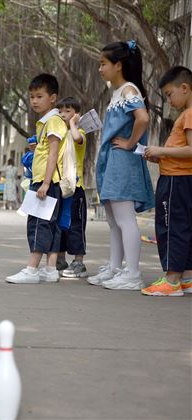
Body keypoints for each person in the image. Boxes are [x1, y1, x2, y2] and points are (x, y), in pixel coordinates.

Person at [87, 40, 155, 290]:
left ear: (119, 65)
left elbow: (143, 118)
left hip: (122, 161)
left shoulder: (129, 90)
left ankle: (133, 273)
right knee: (114, 221)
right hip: (112, 160)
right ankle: (116, 267)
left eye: (103, 64)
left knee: (125, 219)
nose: (100, 69)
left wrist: (129, 143)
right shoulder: (117, 92)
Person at [6, 73, 67, 284]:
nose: (34, 101)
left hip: (46, 182)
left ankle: (31, 269)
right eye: (31, 96)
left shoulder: (53, 121)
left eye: (39, 96)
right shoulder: (48, 122)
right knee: (50, 224)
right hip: (44, 181)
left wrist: (46, 183)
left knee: (38, 224)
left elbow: (53, 154)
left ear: (52, 98)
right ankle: (50, 269)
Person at [141, 66, 192, 296]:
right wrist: (161, 155)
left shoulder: (189, 114)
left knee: (171, 228)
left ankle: (171, 280)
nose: (169, 100)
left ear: (185, 88)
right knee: (184, 228)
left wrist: (161, 150)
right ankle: (186, 278)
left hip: (175, 182)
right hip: (181, 179)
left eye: (170, 94)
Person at [55, 97, 89, 278]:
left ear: (76, 114)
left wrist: (74, 123)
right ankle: (60, 259)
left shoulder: (80, 131)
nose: (62, 115)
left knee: (76, 225)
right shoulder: (58, 134)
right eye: (60, 111)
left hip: (76, 187)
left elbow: (77, 138)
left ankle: (79, 262)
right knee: (60, 225)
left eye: (67, 111)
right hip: (60, 187)